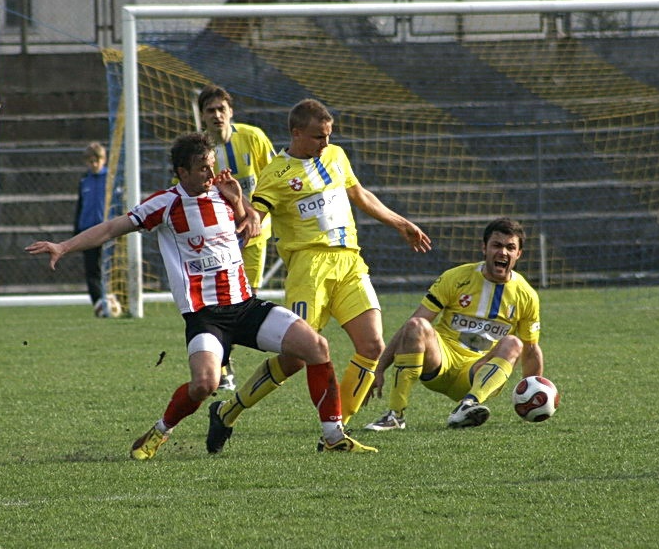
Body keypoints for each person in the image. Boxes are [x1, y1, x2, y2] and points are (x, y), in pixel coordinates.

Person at [26, 132, 376, 458]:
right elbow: (112, 227)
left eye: (212, 166)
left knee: (317, 347)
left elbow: (251, 226)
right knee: (205, 384)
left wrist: (240, 204)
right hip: (205, 317)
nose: (211, 174)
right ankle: (160, 431)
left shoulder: (224, 194)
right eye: (202, 169)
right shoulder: (165, 204)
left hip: (244, 306)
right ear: (182, 172)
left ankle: (333, 436)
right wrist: (64, 246)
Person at [208, 98, 432, 437]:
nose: (326, 143)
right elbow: (255, 218)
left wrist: (400, 222)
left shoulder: (336, 156)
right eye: (318, 137)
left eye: (328, 135)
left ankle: (337, 429)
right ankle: (228, 410)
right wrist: (241, 211)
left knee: (372, 346)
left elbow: (360, 194)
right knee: (297, 357)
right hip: (308, 270)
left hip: (349, 262)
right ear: (296, 133)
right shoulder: (277, 174)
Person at [365, 217, 543, 431]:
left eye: (510, 247)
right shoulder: (456, 277)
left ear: (518, 254)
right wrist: (379, 368)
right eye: (496, 245)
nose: (503, 252)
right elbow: (409, 329)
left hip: (478, 373)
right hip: (441, 362)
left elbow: (531, 349)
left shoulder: (526, 295)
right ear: (484, 248)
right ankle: (395, 415)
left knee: (514, 343)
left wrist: (535, 392)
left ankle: (469, 405)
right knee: (417, 324)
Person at [197, 85, 278, 390]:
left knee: (245, 302)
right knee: (220, 304)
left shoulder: (253, 137)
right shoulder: (199, 149)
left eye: (221, 109)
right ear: (202, 116)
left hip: (255, 235)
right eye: (210, 110)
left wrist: (257, 214)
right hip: (217, 241)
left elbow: (273, 177)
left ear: (231, 112)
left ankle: (226, 362)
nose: (217, 115)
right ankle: (223, 369)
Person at [74, 142, 112, 316]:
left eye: (97, 160)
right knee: (92, 270)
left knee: (109, 267)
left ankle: (114, 300)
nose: (94, 164)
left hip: (108, 230)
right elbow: (80, 205)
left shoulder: (110, 178)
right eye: (90, 161)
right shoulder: (84, 181)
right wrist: (77, 228)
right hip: (88, 231)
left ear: (103, 160)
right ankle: (98, 303)